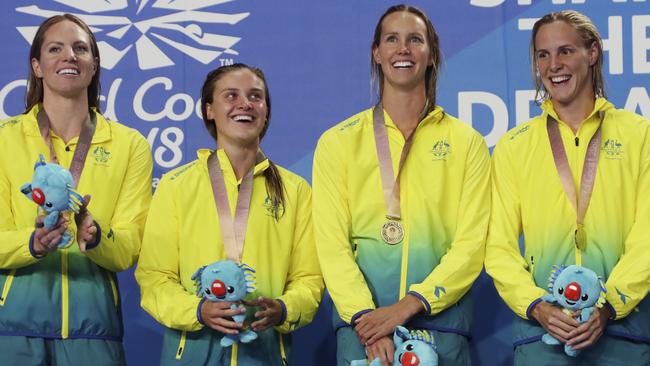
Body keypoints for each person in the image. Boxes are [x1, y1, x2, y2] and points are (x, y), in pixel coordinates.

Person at [312, 4, 490, 365]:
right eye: (392, 39)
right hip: (363, 332)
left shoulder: (467, 142)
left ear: (432, 54)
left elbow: (471, 245)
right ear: (377, 53)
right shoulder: (338, 142)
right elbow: (331, 245)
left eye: (415, 39)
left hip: (442, 328)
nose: (403, 49)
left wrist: (409, 306)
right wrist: (366, 317)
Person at [485, 9, 650, 365]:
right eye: (543, 54)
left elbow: (647, 238)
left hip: (622, 333)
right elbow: (497, 247)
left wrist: (609, 306)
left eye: (565, 51)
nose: (554, 65)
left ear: (592, 54)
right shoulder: (515, 146)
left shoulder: (640, 136)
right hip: (541, 336)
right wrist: (537, 306)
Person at [135, 63, 324, 365]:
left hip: (264, 354)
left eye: (255, 96)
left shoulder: (296, 191)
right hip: (193, 354)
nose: (245, 104)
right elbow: (155, 278)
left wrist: (284, 308)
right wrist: (197, 310)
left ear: (265, 112)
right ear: (209, 110)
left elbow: (309, 279)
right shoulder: (176, 186)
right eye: (231, 95)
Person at [0, 13, 153, 366]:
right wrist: (31, 243)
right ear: (37, 66)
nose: (69, 55)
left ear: (94, 65)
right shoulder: (4, 138)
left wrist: (97, 237)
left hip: (93, 331)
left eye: (80, 48)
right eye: (56, 48)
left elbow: (129, 246)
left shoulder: (131, 146)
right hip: (11, 330)